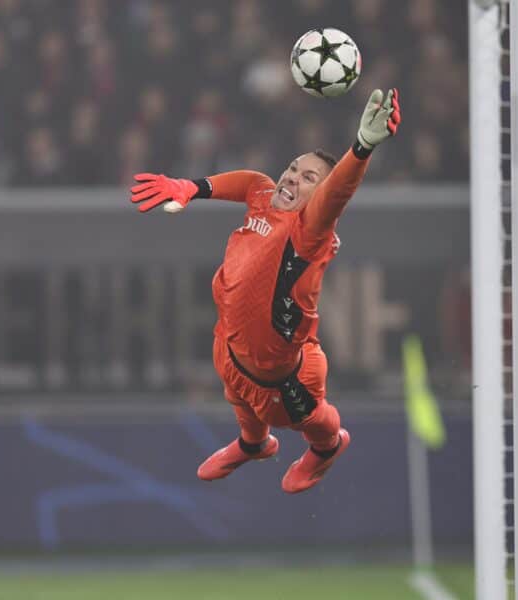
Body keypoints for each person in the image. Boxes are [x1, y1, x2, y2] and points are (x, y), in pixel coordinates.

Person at [128, 88, 401, 493]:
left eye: (309, 178)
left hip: (283, 376)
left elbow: (337, 192)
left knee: (312, 418)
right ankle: (253, 445)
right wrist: (191, 186)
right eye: (293, 167)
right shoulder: (263, 197)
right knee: (237, 394)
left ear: (319, 198)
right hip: (231, 343)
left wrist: (361, 148)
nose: (292, 176)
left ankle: (328, 446)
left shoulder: (308, 231)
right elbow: (249, 181)